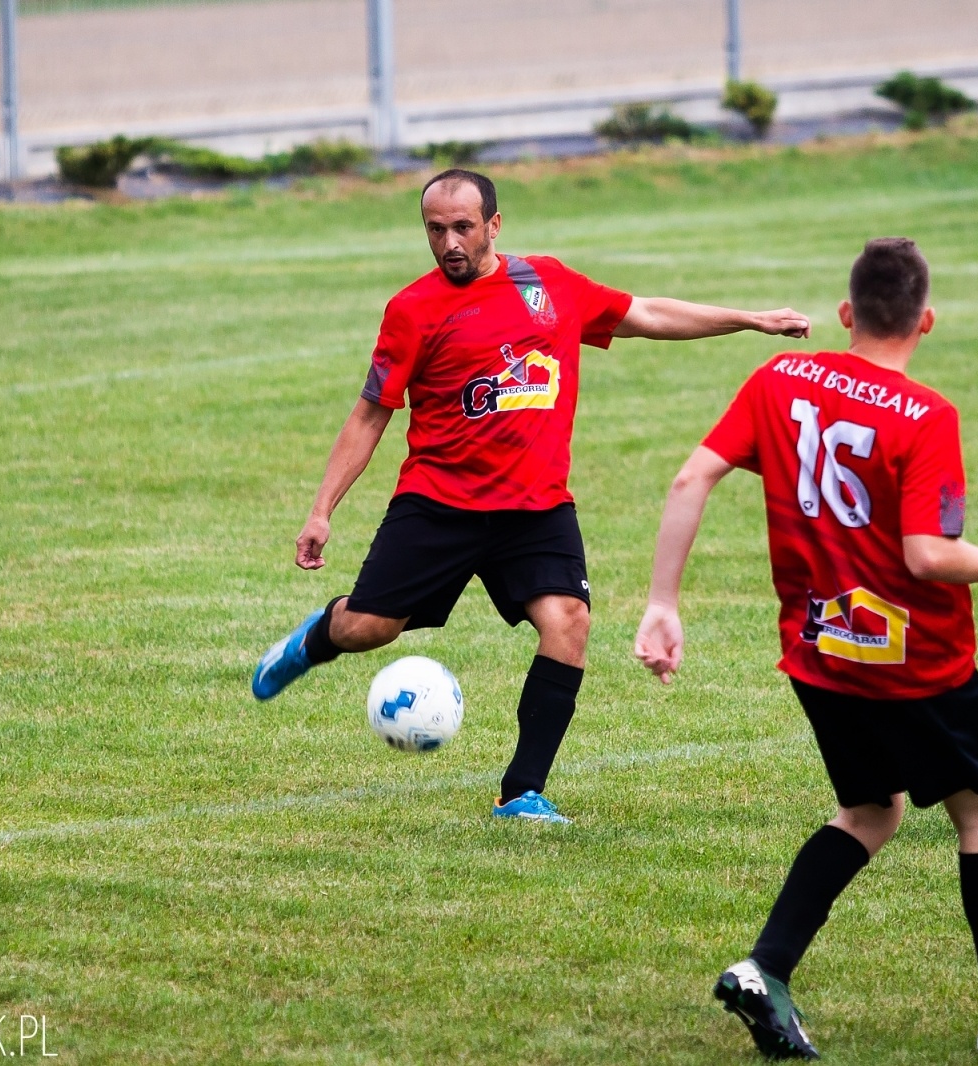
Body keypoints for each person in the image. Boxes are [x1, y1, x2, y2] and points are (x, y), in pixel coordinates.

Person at [251, 168, 811, 825]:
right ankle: (315, 638)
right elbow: (372, 413)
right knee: (370, 627)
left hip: (536, 505)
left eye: (463, 227)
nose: (450, 242)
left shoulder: (549, 283)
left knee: (568, 621)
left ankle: (521, 792)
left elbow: (647, 313)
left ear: (494, 224)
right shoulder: (412, 310)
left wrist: (750, 319)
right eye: (436, 230)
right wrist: (322, 509)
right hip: (439, 502)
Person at [634, 237, 978, 1057]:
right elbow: (928, 557)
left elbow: (692, 478)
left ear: (845, 314)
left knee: (871, 809)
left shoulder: (778, 379)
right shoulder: (928, 414)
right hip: (918, 662)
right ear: (926, 321)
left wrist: (662, 603)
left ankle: (765, 968)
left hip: (821, 651)